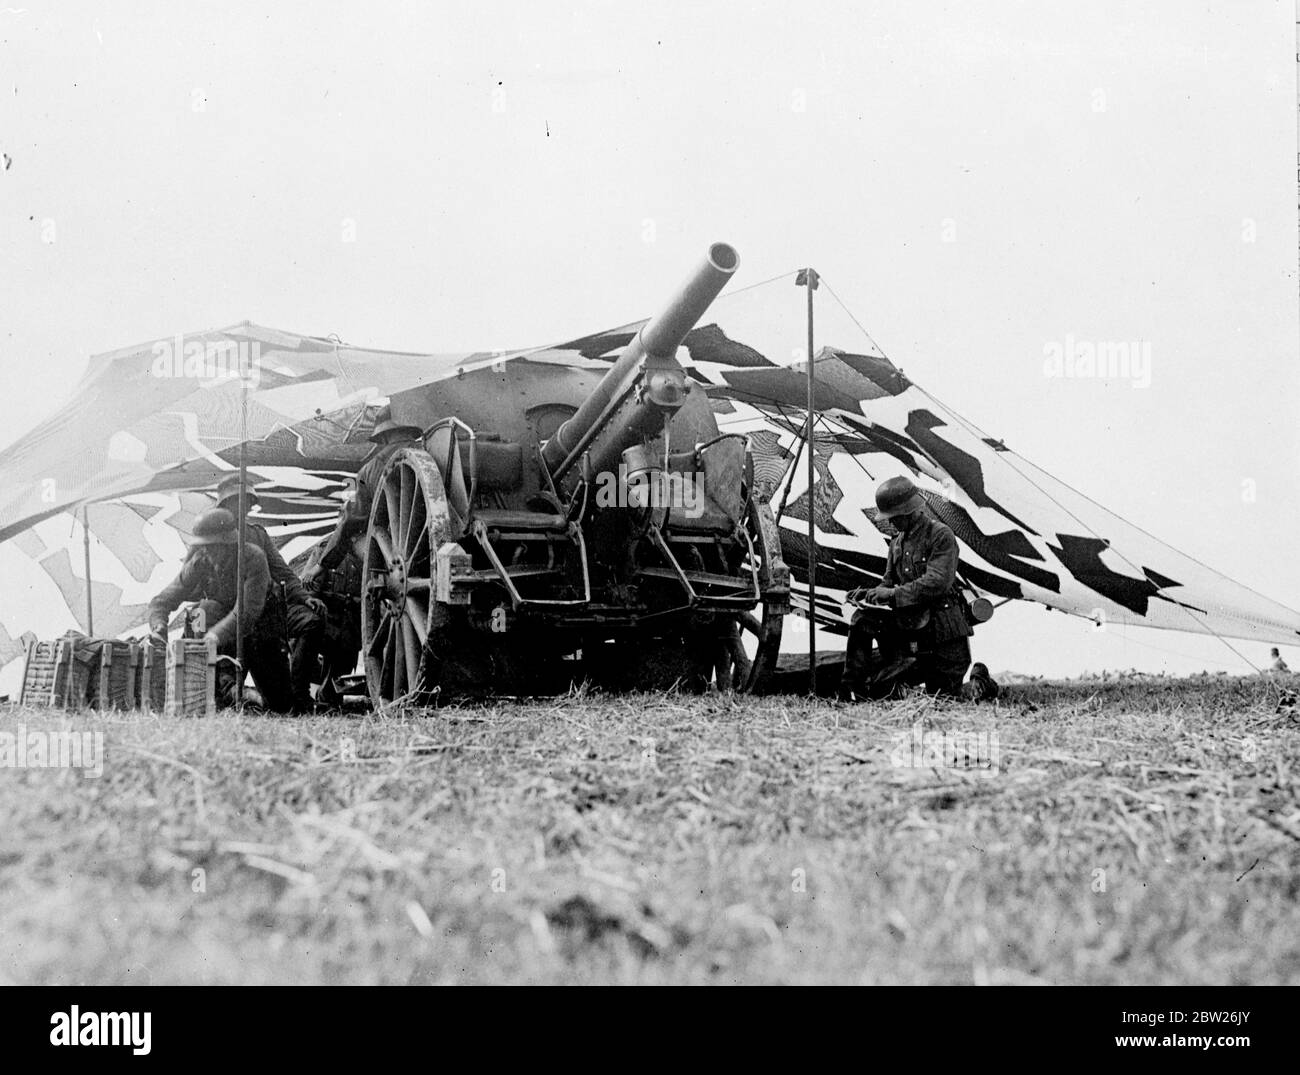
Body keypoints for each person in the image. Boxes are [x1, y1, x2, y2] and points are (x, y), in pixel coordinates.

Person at [148, 507, 295, 712]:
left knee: (281, 706)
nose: (206, 552)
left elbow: (246, 613)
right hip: (226, 641)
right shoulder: (201, 561)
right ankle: (227, 687)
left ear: (228, 544)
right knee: (204, 610)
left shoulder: (253, 558)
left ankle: (239, 690)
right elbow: (162, 600)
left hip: (261, 634)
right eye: (203, 546)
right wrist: (159, 627)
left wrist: (213, 637)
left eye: (211, 546)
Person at [843, 475, 973, 699]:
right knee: (862, 619)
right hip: (910, 634)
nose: (890, 522)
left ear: (908, 511)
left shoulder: (940, 534)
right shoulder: (896, 542)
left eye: (893, 517)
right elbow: (888, 582)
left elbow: (936, 583)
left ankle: (981, 683)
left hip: (943, 636)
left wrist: (891, 594)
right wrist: (870, 593)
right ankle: (852, 687)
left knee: (946, 698)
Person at [214, 474, 326, 712]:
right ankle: (235, 693)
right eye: (234, 502)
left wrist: (305, 598)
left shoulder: (258, 535)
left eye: (244, 501)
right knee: (224, 700)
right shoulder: (211, 537)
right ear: (224, 505)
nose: (240, 508)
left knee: (282, 705)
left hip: (264, 626)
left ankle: (298, 693)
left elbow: (283, 572)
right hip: (230, 625)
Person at [302, 405, 423, 585]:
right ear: (410, 430)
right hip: (426, 543)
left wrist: (322, 565)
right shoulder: (431, 451)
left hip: (392, 554)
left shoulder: (370, 469)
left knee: (350, 538)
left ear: (383, 435)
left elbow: (353, 520)